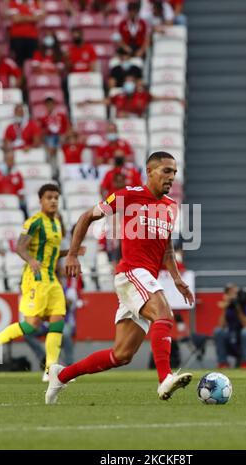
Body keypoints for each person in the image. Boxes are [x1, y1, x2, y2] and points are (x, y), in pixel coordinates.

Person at [45, 151, 194, 404]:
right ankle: (164, 378)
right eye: (166, 171)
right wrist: (71, 255)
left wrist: (177, 278)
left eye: (174, 172)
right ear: (150, 171)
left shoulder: (170, 207)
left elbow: (167, 246)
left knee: (122, 355)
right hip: (130, 273)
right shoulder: (128, 195)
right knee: (164, 315)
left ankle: (62, 375)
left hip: (144, 278)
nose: (171, 177)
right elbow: (86, 217)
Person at [0, 184, 85, 381]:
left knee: (58, 322)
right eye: (49, 197)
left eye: (56, 197)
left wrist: (71, 253)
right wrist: (31, 260)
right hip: (35, 278)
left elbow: (51, 254)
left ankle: (50, 370)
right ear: (41, 201)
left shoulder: (56, 223)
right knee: (32, 325)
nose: (53, 201)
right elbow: (20, 247)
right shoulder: (35, 221)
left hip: (52, 279)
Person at [213, 283, 246, 369]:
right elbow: (221, 325)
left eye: (233, 293)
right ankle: (223, 363)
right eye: (229, 293)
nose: (232, 295)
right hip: (232, 335)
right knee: (218, 331)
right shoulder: (228, 306)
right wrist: (225, 307)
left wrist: (238, 307)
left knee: (245, 332)